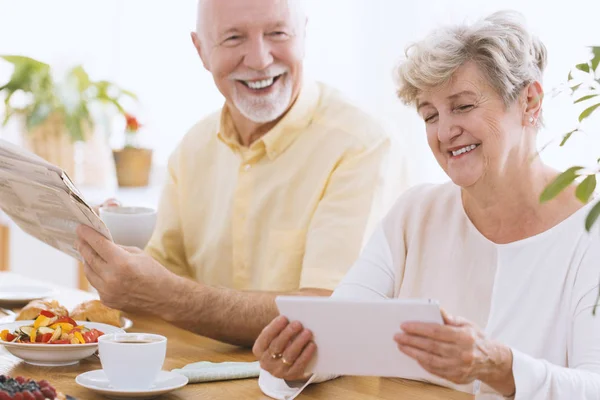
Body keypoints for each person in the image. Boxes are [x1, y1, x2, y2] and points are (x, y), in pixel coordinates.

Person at [254, 10, 600, 399]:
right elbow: (335, 340)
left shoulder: (591, 228)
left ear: (529, 101)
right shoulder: (415, 214)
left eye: (464, 106)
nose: (444, 132)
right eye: (430, 115)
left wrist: (501, 367)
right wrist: (293, 362)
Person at [75, 0, 401, 347]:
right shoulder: (193, 148)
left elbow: (331, 316)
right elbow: (155, 284)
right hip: (195, 379)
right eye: (233, 38)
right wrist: (115, 259)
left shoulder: (362, 145)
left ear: (303, 34)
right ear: (201, 50)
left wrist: (165, 294)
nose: (260, 59)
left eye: (277, 33)